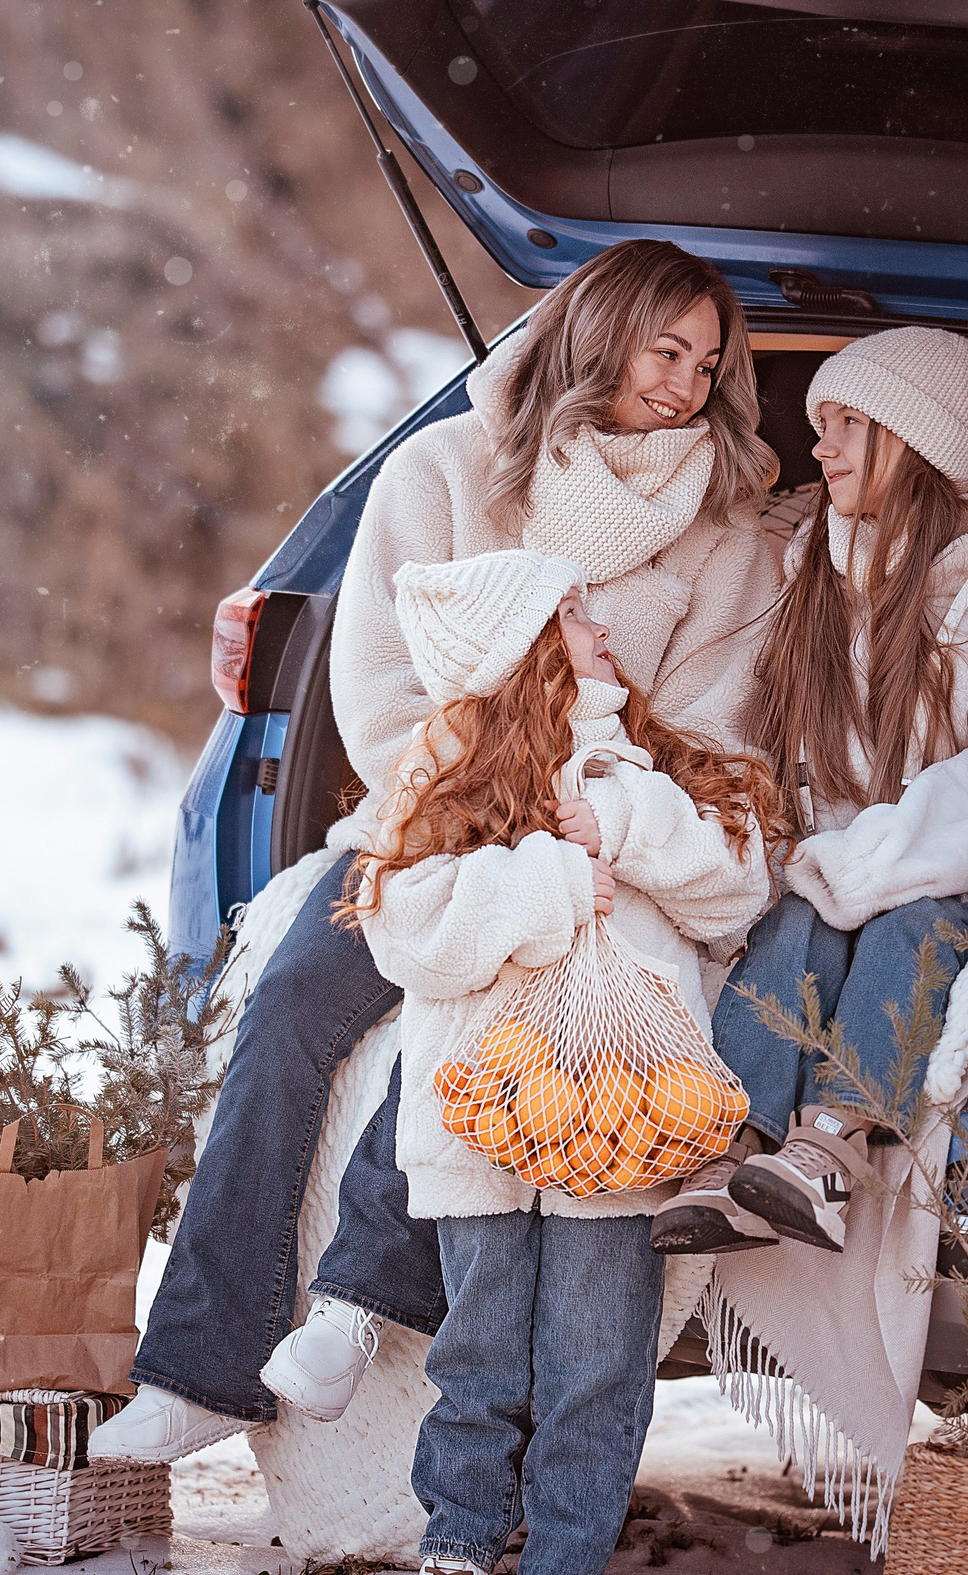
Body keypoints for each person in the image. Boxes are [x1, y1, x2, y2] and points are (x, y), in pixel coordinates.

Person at [98, 239, 782, 1461]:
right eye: (664, 349)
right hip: (429, 820)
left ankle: (363, 1306)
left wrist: (578, 814)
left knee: (488, 1004)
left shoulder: (728, 536)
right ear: (597, 333)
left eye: (708, 363)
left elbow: (714, 738)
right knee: (297, 994)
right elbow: (372, 692)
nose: (686, 384)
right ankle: (197, 1372)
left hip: (599, 847)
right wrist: (489, 792)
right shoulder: (443, 471)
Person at [355, 553, 773, 1575]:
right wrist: (543, 882)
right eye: (572, 612)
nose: (599, 625)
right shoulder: (438, 768)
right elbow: (404, 932)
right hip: (482, 1116)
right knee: (479, 1352)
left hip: (619, 1106)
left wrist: (624, 826)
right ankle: (456, 1553)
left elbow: (738, 888)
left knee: (595, 1357)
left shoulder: (639, 762)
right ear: (517, 646)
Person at [654, 325, 968, 1256]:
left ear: (917, 441)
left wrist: (869, 861)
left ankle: (835, 1143)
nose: (821, 446)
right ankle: (732, 1142)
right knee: (797, 915)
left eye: (849, 422)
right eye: (823, 421)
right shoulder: (810, 566)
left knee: (909, 924)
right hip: (861, 852)